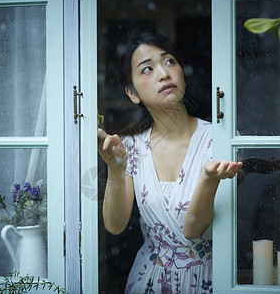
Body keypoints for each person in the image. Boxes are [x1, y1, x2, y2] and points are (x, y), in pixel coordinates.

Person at [97, 32, 242, 293]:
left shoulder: (219, 140)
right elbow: (115, 225)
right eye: (147, 69)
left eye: (169, 62)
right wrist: (116, 169)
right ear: (132, 93)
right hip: (148, 280)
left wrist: (208, 179)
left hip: (210, 278)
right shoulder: (131, 147)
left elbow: (193, 229)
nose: (164, 74)